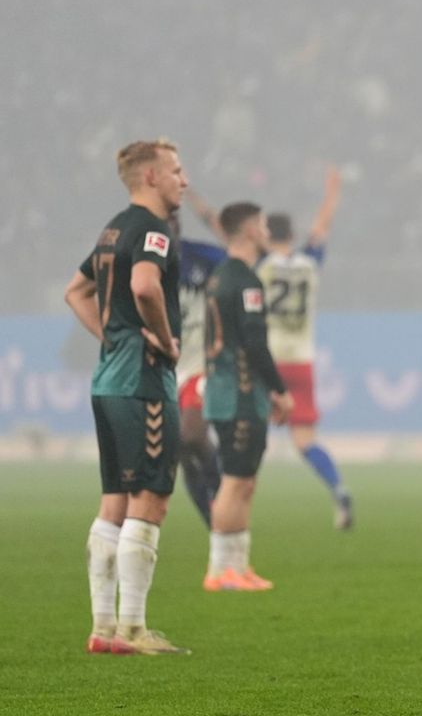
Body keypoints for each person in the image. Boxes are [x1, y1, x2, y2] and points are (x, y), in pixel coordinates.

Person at [63, 139, 191, 655]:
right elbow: (144, 287)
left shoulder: (113, 229)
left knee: (114, 500)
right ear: (152, 178)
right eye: (177, 171)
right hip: (143, 383)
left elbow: (75, 291)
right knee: (151, 497)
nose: (185, 179)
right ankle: (134, 629)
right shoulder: (153, 232)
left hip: (107, 381)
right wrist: (162, 337)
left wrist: (111, 335)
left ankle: (102, 628)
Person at [202, 203, 294, 592]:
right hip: (237, 394)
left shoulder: (221, 277)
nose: (265, 228)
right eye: (259, 223)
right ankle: (219, 569)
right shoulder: (245, 283)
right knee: (234, 481)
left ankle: (238, 567)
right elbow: (255, 344)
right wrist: (280, 389)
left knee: (245, 481)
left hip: (235, 393)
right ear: (245, 231)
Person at [256, 167, 353, 529]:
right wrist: (332, 193)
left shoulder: (261, 267)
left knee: (248, 434)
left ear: (266, 237)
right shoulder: (309, 265)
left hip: (268, 361)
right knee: (306, 441)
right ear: (292, 235)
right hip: (301, 362)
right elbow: (322, 228)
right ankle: (338, 489)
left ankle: (230, 500)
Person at [172, 213, 226, 527]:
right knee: (179, 451)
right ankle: (213, 522)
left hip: (198, 365)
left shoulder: (201, 256)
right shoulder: (138, 262)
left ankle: (221, 490)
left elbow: (237, 261)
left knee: (191, 434)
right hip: (164, 369)